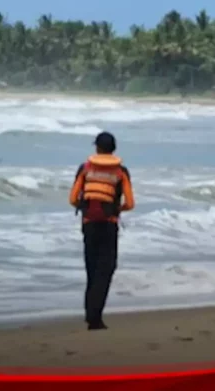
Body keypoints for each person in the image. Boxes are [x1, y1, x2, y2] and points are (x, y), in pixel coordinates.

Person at [69, 131, 135, 330]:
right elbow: (130, 203)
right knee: (106, 269)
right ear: (114, 150)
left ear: (97, 148)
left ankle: (90, 314)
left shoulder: (85, 168)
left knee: (92, 268)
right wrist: (117, 209)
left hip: (88, 224)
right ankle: (94, 317)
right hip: (109, 224)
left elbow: (72, 199)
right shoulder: (121, 171)